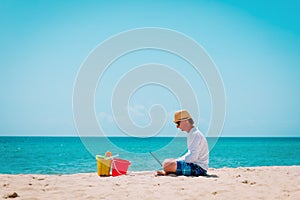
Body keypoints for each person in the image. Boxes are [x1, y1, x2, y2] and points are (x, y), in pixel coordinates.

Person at [157, 109, 209, 176]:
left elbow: (193, 157)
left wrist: (176, 162)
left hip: (199, 169)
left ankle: (169, 170)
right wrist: (176, 161)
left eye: (178, 123)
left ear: (186, 121)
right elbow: (191, 155)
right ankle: (169, 171)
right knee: (168, 163)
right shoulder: (193, 133)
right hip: (197, 167)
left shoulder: (194, 134)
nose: (177, 126)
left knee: (167, 164)